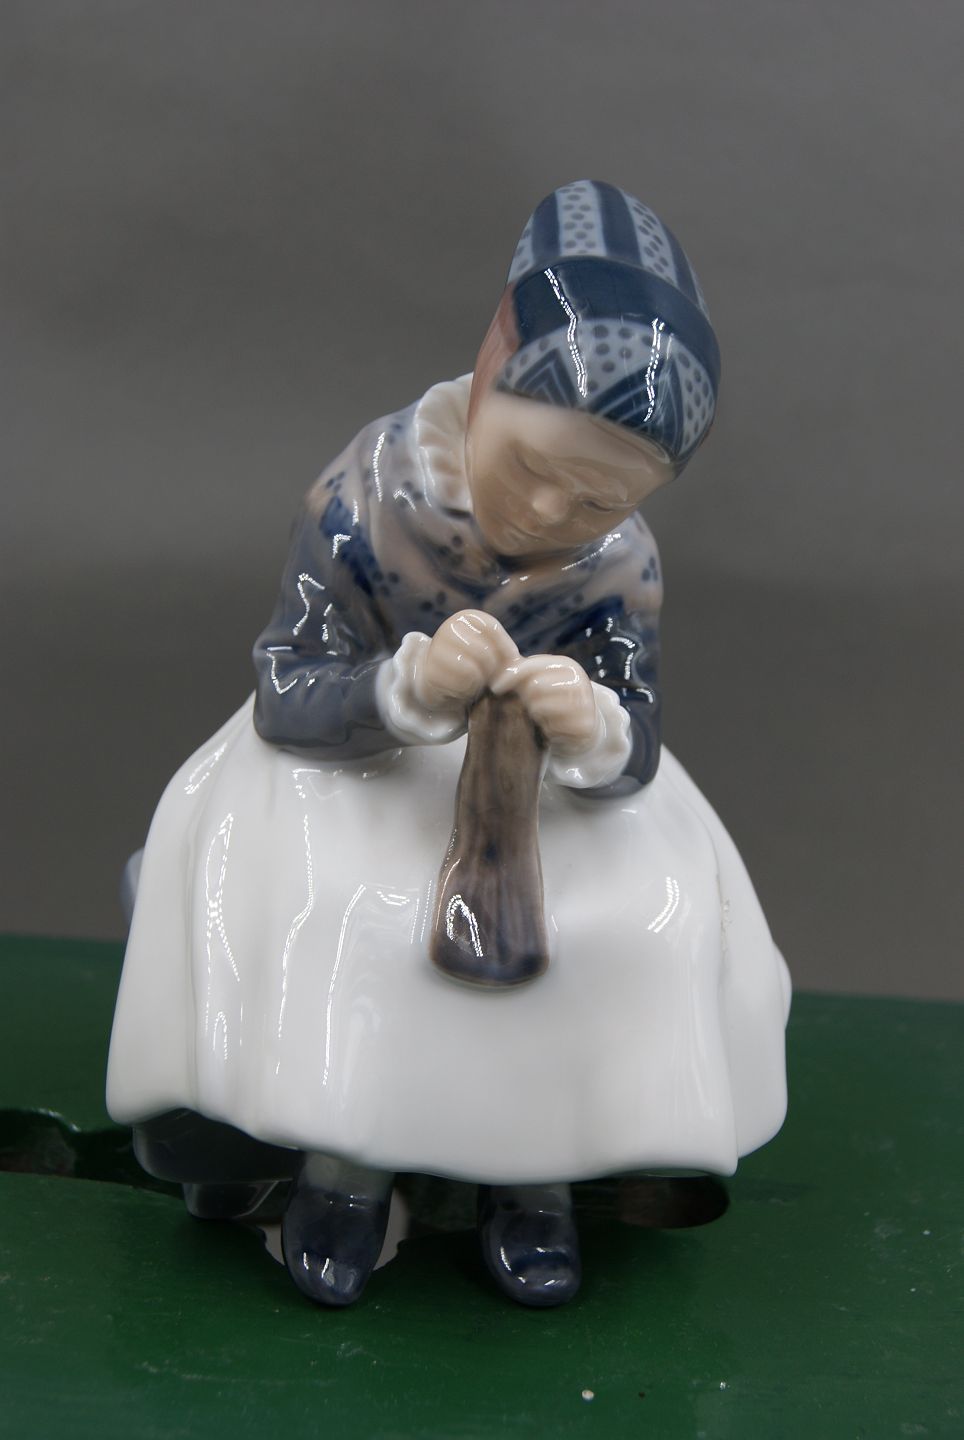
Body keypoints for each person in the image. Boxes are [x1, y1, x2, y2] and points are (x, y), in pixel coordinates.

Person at [108, 180, 790, 1310]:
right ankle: (342, 1168)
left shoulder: (620, 567)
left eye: (599, 499)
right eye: (530, 466)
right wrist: (402, 688)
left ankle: (538, 1178)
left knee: (631, 925)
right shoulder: (367, 497)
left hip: (540, 791)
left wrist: (595, 725)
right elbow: (288, 680)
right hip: (365, 762)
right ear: (485, 380)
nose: (551, 515)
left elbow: (636, 732)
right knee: (344, 914)